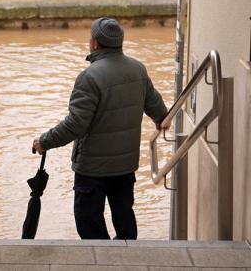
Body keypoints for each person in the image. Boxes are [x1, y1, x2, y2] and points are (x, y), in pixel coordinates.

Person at [32, 17, 168, 240]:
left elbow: (76, 124)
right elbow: (159, 111)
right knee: (124, 218)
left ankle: (103, 261)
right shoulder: (138, 69)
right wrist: (160, 119)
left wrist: (44, 141)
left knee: (88, 222)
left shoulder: (89, 77)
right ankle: (126, 259)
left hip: (92, 169)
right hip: (125, 166)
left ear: (95, 43)